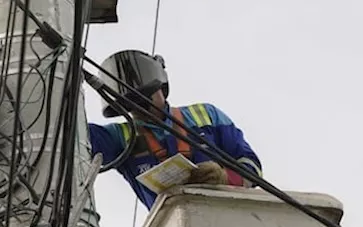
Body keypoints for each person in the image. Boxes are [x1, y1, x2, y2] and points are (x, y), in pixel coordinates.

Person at [87, 49, 262, 209]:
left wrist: (225, 178)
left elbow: (252, 167)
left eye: (145, 99)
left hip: (224, 213)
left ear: (161, 88)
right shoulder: (120, 137)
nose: (139, 109)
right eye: (131, 105)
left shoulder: (206, 115)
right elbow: (75, 135)